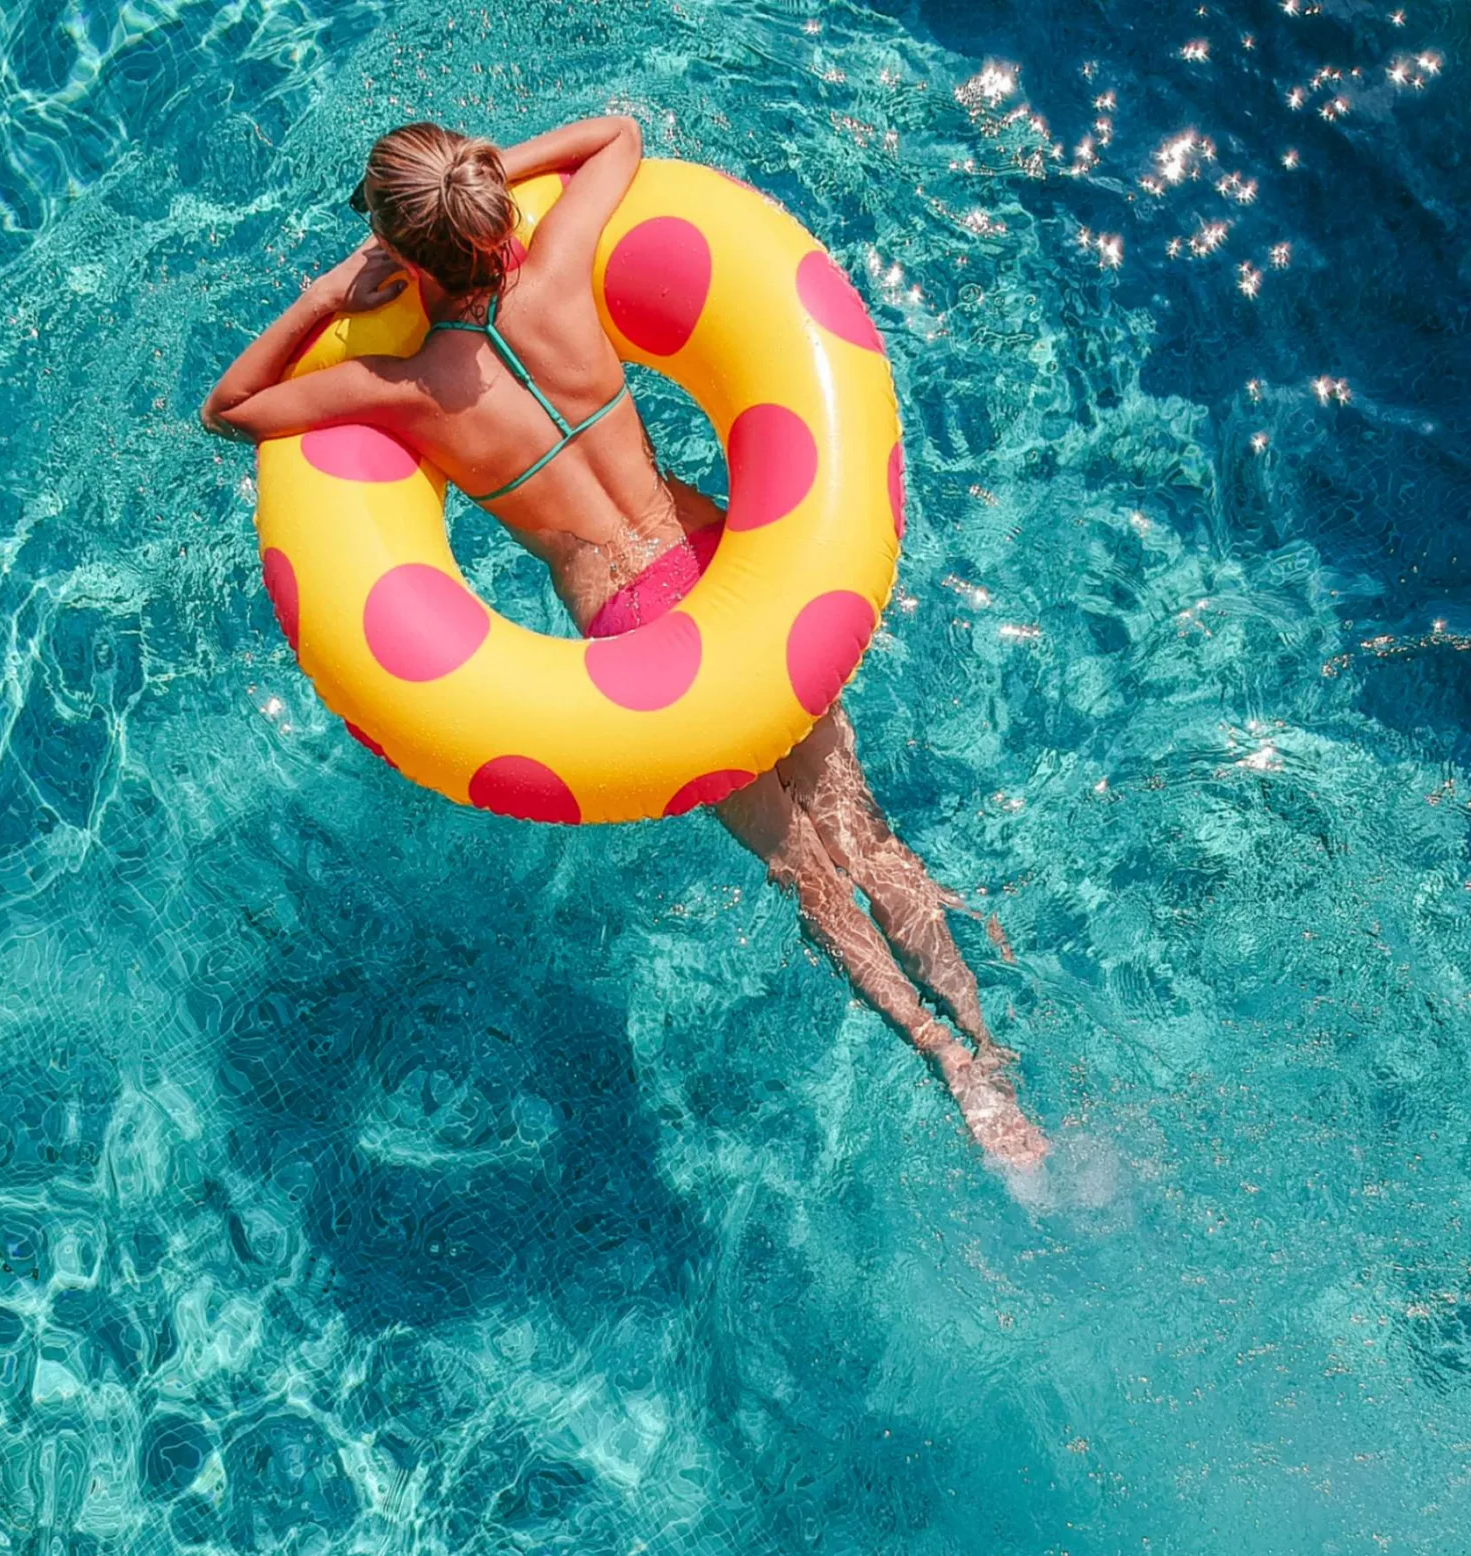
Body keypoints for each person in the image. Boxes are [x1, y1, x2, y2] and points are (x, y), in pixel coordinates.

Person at [201, 117, 1045, 1165]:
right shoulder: (559, 272)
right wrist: (478, 179)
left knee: (802, 867)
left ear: (402, 262)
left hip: (642, 634)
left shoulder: (406, 390)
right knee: (861, 831)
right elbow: (618, 134)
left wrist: (328, 296)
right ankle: (986, 1029)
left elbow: (230, 409)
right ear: (495, 212)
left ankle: (942, 1061)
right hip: (730, 567)